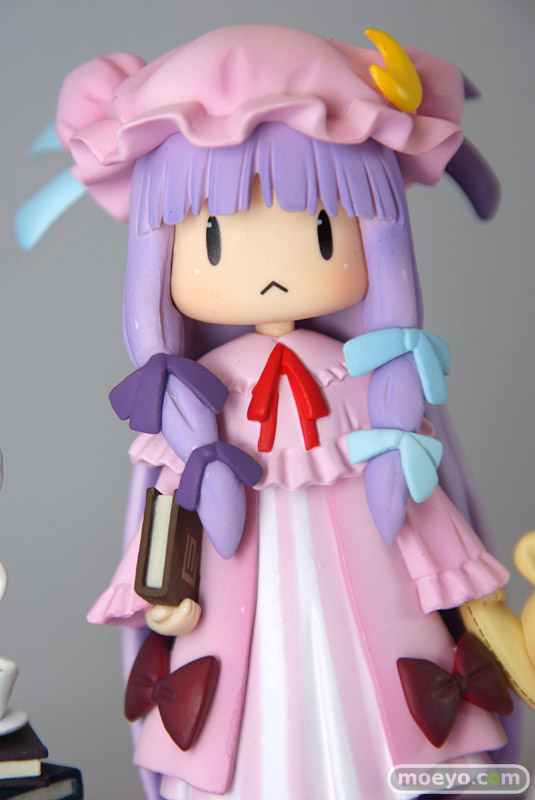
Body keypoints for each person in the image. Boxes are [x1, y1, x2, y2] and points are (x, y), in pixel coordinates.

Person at [23, 25, 531, 800]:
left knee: (382, 708)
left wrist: (453, 580)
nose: (267, 270)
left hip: (373, 600)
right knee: (243, 711)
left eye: (322, 229)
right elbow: (171, 503)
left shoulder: (368, 383)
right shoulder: (194, 397)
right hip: (234, 613)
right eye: (214, 237)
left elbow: (413, 491)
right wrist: (160, 589)